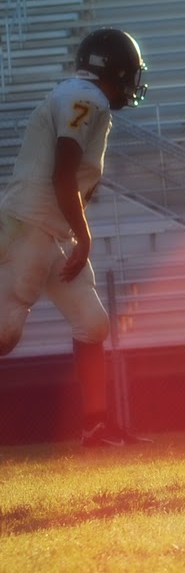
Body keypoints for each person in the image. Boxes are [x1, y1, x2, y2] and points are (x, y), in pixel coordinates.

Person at [0, 28, 153, 448]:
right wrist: (84, 237)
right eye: (130, 73)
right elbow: (62, 173)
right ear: (116, 70)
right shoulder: (87, 99)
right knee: (4, 336)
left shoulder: (80, 96)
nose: (132, 83)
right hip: (28, 227)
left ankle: (96, 428)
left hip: (50, 231)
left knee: (92, 324)